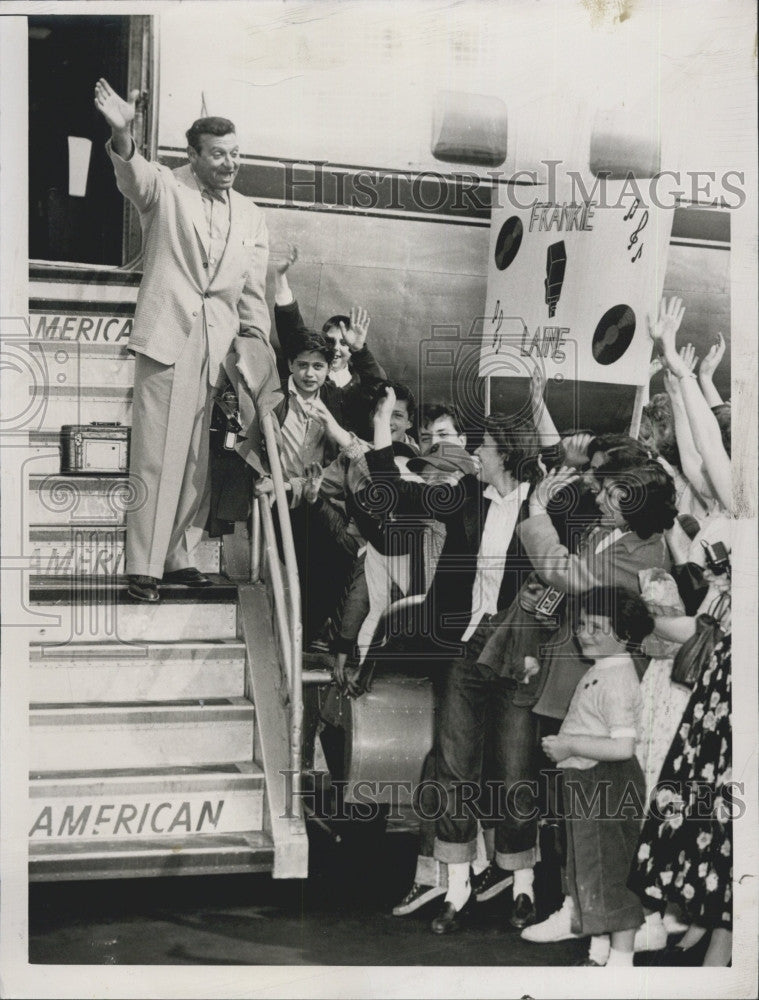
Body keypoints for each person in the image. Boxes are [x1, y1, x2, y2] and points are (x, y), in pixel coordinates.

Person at [94, 78, 272, 603]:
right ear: (192, 155)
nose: (229, 163)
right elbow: (133, 176)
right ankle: (144, 566)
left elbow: (251, 293)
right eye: (218, 154)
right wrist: (124, 134)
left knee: (197, 458)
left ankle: (177, 557)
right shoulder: (167, 188)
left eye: (235, 154)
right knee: (155, 454)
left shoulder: (253, 214)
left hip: (218, 347)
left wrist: (256, 348)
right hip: (169, 335)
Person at [531, 586, 654, 968]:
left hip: (608, 782)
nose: (584, 632)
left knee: (610, 873)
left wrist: (571, 745)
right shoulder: (604, 669)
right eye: (582, 623)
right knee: (589, 870)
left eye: (597, 627)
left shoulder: (616, 680)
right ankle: (599, 955)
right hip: (589, 783)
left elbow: (622, 748)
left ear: (624, 634)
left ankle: (620, 965)